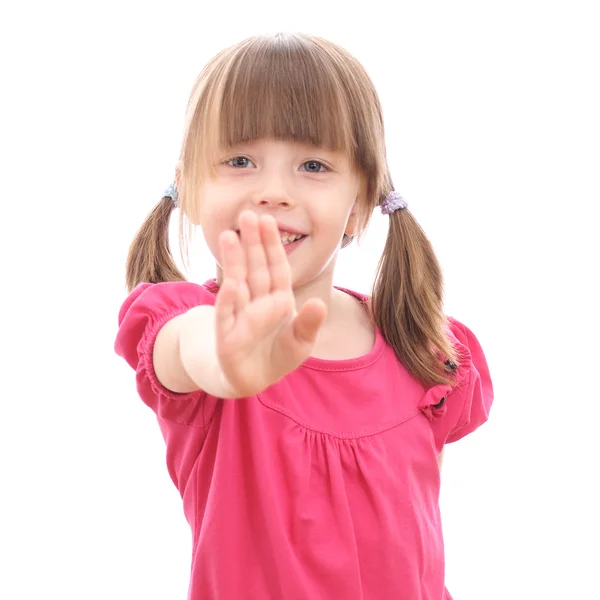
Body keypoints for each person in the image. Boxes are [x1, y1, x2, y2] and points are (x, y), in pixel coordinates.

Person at [114, 32, 493, 600]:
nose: (272, 191)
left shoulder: (426, 352)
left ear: (361, 203)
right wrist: (227, 359)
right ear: (189, 186)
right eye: (239, 160)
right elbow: (189, 351)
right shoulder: (187, 321)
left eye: (313, 165)